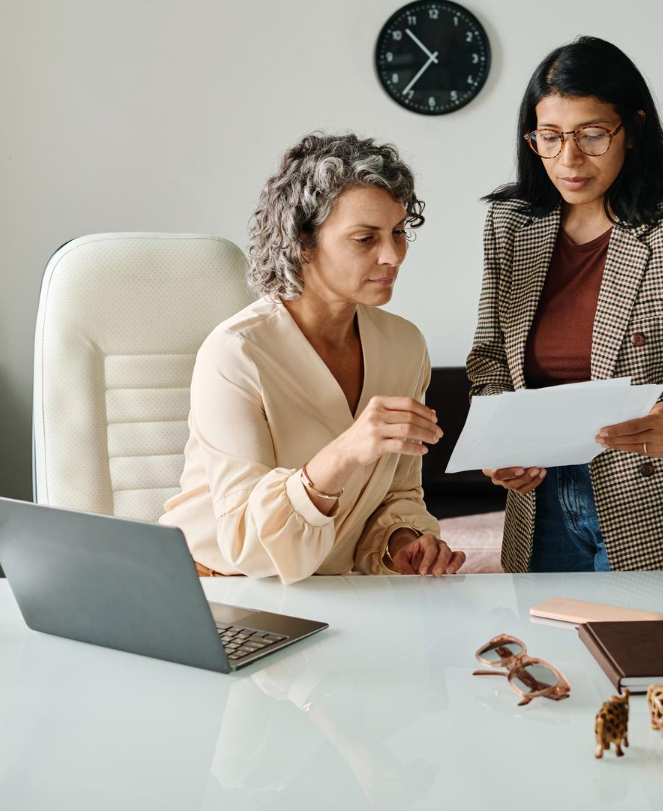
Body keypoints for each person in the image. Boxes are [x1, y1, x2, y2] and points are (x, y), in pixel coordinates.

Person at [467, 37, 663, 574]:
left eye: (592, 135)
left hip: (659, 503)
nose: (568, 159)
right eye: (549, 137)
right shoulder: (511, 225)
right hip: (542, 503)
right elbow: (490, 361)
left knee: (652, 659)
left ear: (633, 128)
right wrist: (500, 444)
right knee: (548, 656)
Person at [160, 133, 465, 582]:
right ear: (303, 242)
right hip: (211, 587)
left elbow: (398, 494)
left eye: (398, 232)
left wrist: (402, 541)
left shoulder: (404, 346)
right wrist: (345, 451)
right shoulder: (237, 353)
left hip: (323, 592)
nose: (393, 255)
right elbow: (247, 543)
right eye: (365, 239)